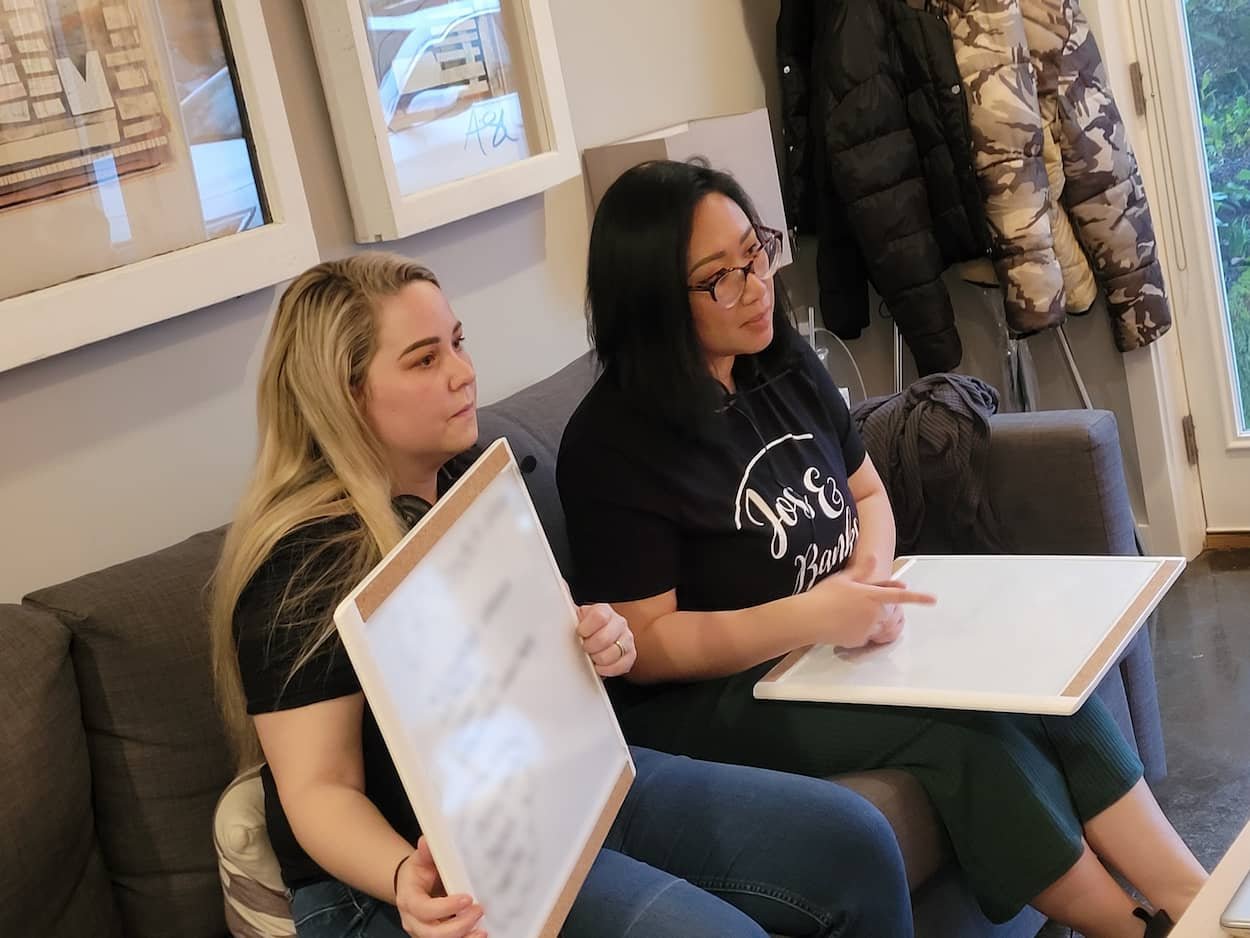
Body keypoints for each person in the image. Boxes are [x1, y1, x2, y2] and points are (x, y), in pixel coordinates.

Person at [556, 160, 1208, 938]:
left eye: (754, 252)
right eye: (718, 278)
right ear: (654, 300)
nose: (756, 284)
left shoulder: (778, 359)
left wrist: (868, 581)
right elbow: (649, 647)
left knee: (1034, 675)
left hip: (840, 637)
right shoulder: (612, 444)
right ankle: (1136, 930)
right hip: (719, 697)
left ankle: (1202, 904)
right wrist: (816, 616)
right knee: (964, 732)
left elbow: (867, 492)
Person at [208, 253, 916, 938]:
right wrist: (402, 877)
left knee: (856, 843)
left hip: (554, 786)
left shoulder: (467, 488)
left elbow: (522, 667)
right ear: (343, 393)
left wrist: (592, 638)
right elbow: (319, 789)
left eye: (457, 343)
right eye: (425, 360)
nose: (464, 373)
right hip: (419, 866)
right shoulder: (303, 564)